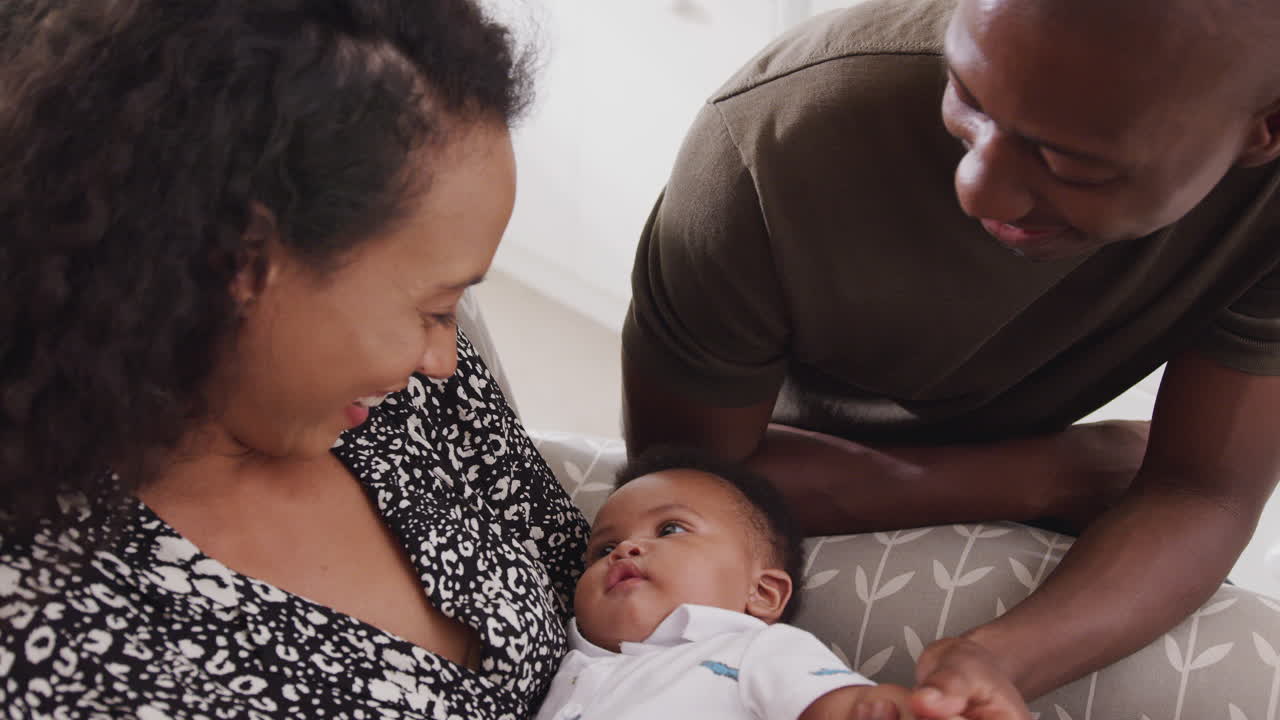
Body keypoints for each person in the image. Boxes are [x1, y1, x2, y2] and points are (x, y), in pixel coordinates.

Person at [622, 0, 1280, 708]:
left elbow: (1205, 489)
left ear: (1265, 130)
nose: (979, 189)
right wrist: (1049, 474)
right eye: (966, 94)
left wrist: (995, 662)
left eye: (1072, 164)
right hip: (785, 493)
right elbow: (685, 485)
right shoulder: (775, 143)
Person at [0, 2, 589, 718]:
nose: (445, 356)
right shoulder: (52, 635)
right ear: (243, 264)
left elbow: (586, 575)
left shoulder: (405, 395)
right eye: (434, 309)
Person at [536, 448, 1030, 720]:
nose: (624, 550)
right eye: (602, 549)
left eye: (670, 529)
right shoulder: (561, 664)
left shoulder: (754, 652)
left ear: (763, 593)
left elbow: (836, 706)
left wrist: (894, 711)